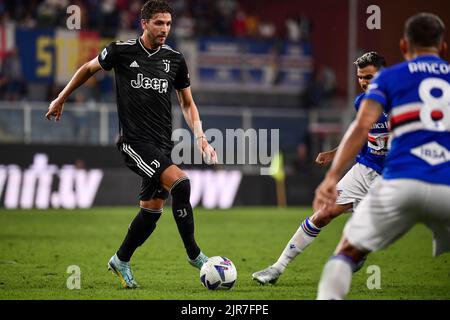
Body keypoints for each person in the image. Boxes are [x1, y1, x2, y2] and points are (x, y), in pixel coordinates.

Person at [46, 0, 217, 289]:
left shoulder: (175, 59)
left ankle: (120, 260)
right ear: (145, 24)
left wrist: (200, 136)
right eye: (159, 23)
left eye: (168, 24)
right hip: (134, 142)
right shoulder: (121, 51)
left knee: (151, 212)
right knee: (182, 183)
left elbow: (187, 102)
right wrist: (61, 97)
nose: (164, 29)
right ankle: (195, 255)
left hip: (163, 144)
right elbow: (88, 69)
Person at [314, 13, 450, 299]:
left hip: (400, 182)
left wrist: (332, 176)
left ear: (404, 46)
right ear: (444, 48)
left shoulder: (389, 79)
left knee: (347, 251)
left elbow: (361, 126)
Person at [252, 52, 388, 285]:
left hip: (393, 177)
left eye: (369, 76)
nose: (364, 82)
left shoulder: (401, 101)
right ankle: (277, 267)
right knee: (324, 213)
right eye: (360, 78)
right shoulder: (362, 103)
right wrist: (334, 154)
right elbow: (360, 138)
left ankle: (360, 248)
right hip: (364, 169)